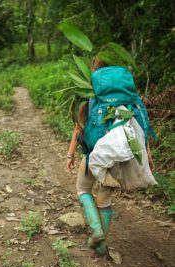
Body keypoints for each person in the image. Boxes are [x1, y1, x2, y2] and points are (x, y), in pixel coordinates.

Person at [66, 57, 154, 255]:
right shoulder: (131, 101)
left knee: (82, 189)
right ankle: (101, 246)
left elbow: (78, 130)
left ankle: (96, 230)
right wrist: (147, 156)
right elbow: (141, 129)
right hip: (121, 158)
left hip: (94, 156)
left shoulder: (90, 98)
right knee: (104, 200)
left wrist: (70, 155)